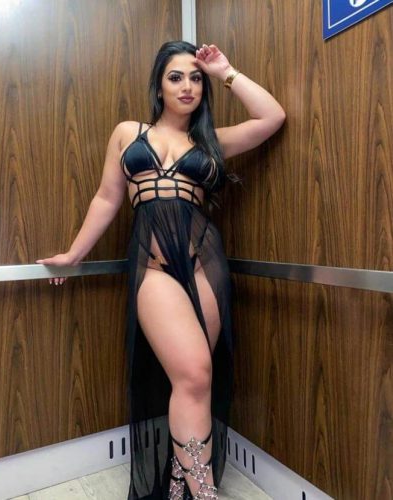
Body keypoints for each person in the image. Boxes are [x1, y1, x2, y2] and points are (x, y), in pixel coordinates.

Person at [37, 41, 285, 500]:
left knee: (196, 381)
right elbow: (107, 198)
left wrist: (225, 71)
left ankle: (179, 483)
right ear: (159, 85)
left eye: (195, 78)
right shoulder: (128, 133)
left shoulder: (211, 143)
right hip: (153, 268)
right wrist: (74, 254)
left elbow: (272, 117)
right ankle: (203, 490)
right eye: (176, 77)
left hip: (205, 264)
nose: (187, 86)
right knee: (193, 375)